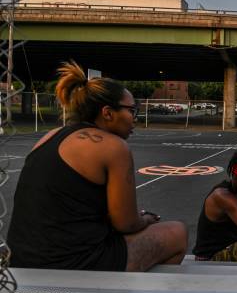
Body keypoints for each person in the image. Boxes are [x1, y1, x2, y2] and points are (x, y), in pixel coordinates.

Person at [7, 61, 187, 272]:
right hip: (75, 262)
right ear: (108, 113)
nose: (134, 119)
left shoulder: (50, 136)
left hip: (23, 259)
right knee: (178, 233)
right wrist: (146, 219)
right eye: (131, 110)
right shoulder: (113, 147)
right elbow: (126, 224)